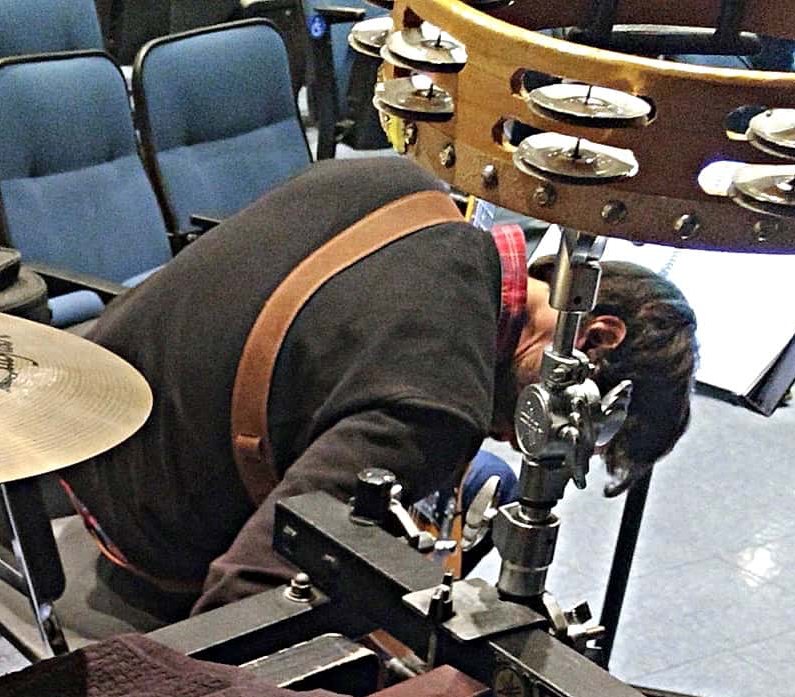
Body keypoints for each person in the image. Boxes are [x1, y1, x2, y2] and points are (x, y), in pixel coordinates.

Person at [63, 154, 700, 615]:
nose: (520, 439)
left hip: (93, 397)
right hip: (144, 522)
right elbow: (248, 592)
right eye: (571, 427)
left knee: (480, 482)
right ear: (593, 338)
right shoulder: (439, 404)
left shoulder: (402, 185)